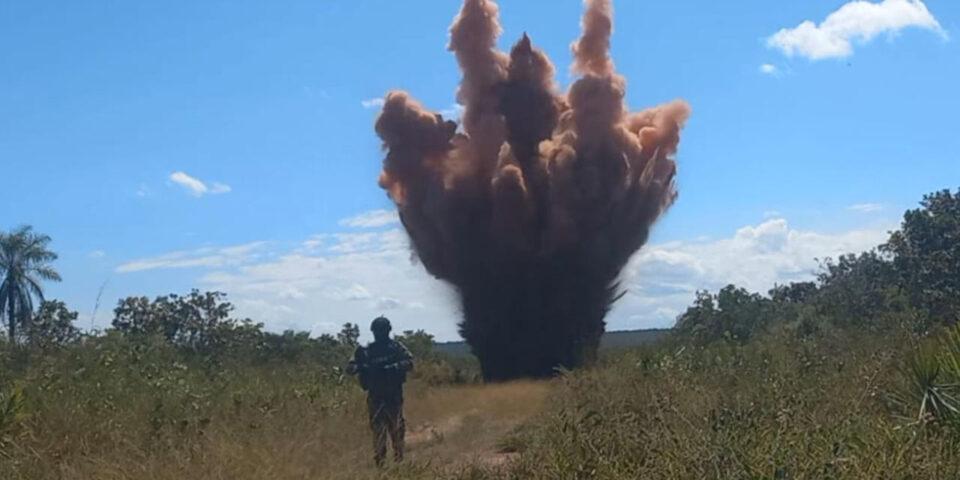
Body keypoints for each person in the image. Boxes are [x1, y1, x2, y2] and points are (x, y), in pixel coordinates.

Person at [346, 316, 414, 467]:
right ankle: (380, 463)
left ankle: (399, 460)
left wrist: (393, 367)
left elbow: (409, 363)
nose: (380, 333)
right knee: (378, 430)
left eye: (382, 330)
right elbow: (350, 368)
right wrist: (361, 367)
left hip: (393, 395)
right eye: (377, 331)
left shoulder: (396, 347)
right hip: (375, 396)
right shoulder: (366, 351)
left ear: (388, 330)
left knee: (396, 428)